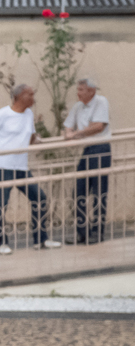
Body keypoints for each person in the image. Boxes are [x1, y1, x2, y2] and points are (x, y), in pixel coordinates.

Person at [0, 84, 59, 252]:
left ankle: (40, 240)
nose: (33, 97)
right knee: (1, 205)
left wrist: (37, 139)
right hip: (3, 167)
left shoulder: (29, 114)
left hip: (21, 168)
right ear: (19, 96)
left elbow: (29, 137)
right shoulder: (2, 115)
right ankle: (2, 243)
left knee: (39, 198)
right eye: (30, 94)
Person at [63, 77, 112, 244]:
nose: (78, 93)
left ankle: (97, 233)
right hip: (87, 150)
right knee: (78, 192)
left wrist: (76, 134)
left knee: (99, 192)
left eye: (81, 90)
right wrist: (73, 133)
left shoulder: (100, 102)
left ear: (91, 91)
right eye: (78, 89)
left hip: (100, 149)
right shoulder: (78, 107)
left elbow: (99, 126)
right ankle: (82, 233)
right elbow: (68, 126)